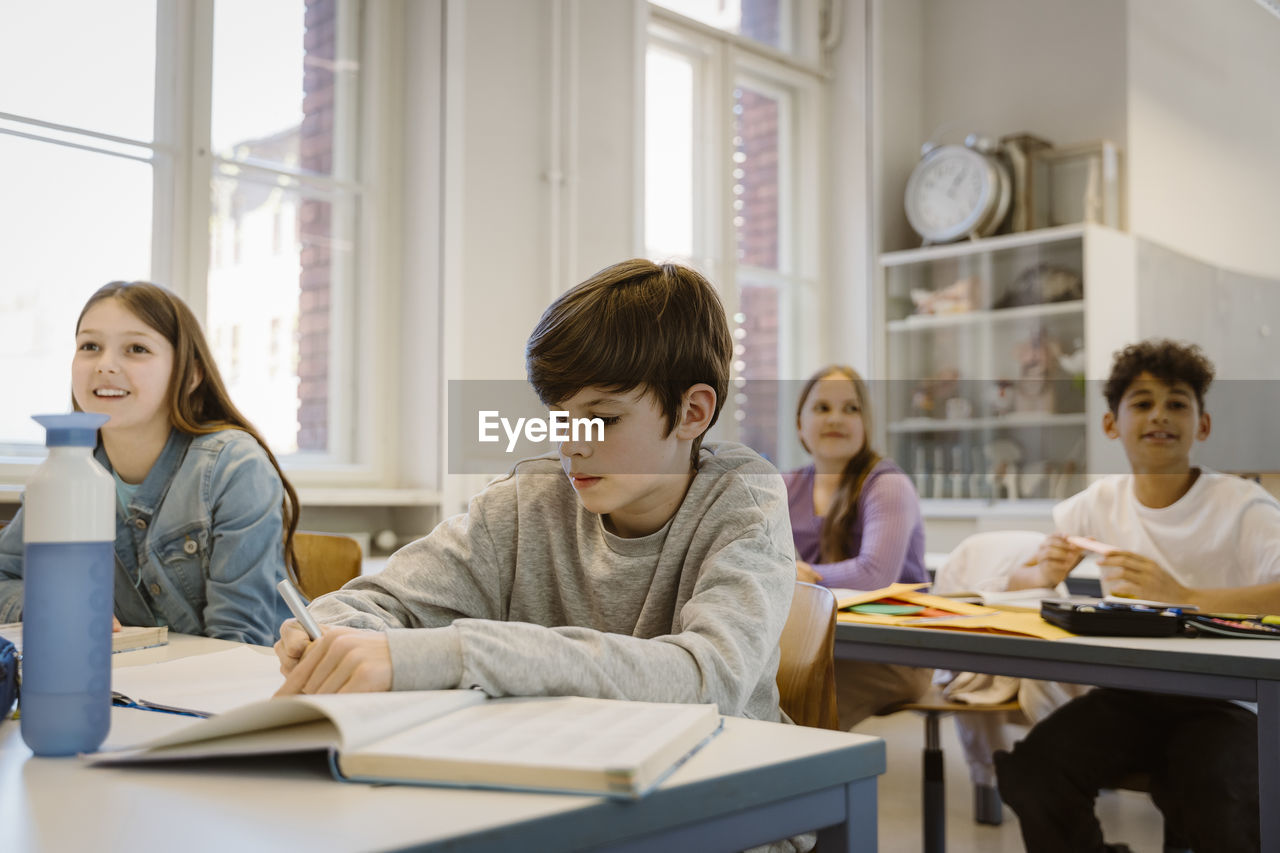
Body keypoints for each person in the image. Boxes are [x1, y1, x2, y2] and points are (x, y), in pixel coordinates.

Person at [273, 260, 796, 730]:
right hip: (568, 771)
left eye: (602, 419)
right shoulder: (530, 499)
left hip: (727, 791)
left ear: (692, 413)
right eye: (561, 420)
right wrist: (332, 641)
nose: (572, 447)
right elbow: (366, 605)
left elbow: (710, 680)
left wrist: (463, 654)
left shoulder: (742, 502)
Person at [996, 339, 1280, 853]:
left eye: (1177, 403)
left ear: (1203, 425)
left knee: (1215, 790)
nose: (1160, 416)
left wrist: (1184, 596)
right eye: (1142, 403)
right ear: (1112, 425)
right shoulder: (1095, 503)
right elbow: (1011, 583)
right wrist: (1039, 573)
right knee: (1034, 770)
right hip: (1131, 695)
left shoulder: (1243, 506)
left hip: (1226, 703)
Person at [0, 281, 298, 646]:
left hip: (240, 685)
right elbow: (4, 577)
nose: (105, 366)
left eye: (136, 348)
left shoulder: (233, 466)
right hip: (129, 683)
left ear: (190, 375)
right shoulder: (63, 474)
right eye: (90, 346)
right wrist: (44, 604)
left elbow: (238, 641)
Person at [785, 365, 930, 728]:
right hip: (821, 641)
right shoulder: (785, 487)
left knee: (794, 699)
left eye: (851, 409)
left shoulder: (887, 484)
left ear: (867, 424)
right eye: (822, 408)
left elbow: (874, 576)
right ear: (800, 424)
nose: (836, 418)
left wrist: (801, 576)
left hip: (893, 653)